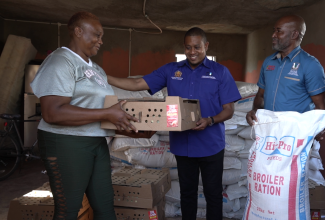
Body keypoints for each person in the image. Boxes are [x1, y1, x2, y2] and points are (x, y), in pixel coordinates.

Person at [106, 27, 241, 220]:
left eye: (197, 47)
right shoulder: (172, 70)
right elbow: (137, 85)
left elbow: (229, 109)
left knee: (213, 193)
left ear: (206, 46)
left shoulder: (220, 72)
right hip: (182, 146)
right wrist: (105, 77)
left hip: (211, 144)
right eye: (188, 47)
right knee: (187, 194)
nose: (192, 52)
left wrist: (210, 120)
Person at [31, 12, 154, 220]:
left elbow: (96, 109)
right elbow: (52, 112)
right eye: (97, 35)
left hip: (96, 141)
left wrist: (130, 129)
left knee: (105, 207)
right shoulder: (61, 62)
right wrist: (108, 112)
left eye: (101, 36)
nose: (101, 41)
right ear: (78, 31)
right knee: (68, 210)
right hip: (66, 143)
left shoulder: (96, 69)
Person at [246, 15, 325, 126]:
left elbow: (320, 106)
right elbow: (260, 95)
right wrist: (254, 111)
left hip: (296, 133)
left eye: (279, 31)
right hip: (269, 129)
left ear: (294, 34)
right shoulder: (269, 62)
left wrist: (317, 129)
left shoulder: (310, 65)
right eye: (274, 31)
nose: (273, 35)